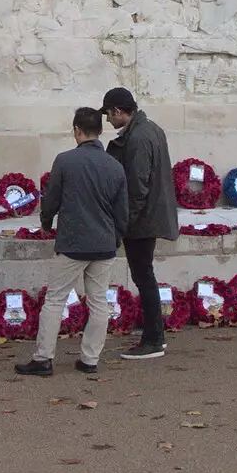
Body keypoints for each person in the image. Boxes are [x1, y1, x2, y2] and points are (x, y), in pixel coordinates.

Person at [16, 107, 128, 377]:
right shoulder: (115, 165)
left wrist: (46, 222)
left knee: (55, 299)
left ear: (77, 130)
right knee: (99, 301)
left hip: (73, 242)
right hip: (103, 243)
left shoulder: (65, 161)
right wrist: (116, 237)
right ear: (100, 131)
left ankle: (43, 358)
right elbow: (122, 211)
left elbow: (52, 198)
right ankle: (90, 359)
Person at [102, 87, 177, 359]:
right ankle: (155, 334)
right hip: (150, 214)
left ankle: (153, 339)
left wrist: (123, 224)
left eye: (109, 114)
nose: (108, 121)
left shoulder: (138, 137)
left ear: (119, 111)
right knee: (145, 275)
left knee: (143, 276)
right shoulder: (150, 129)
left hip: (142, 219)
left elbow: (137, 187)